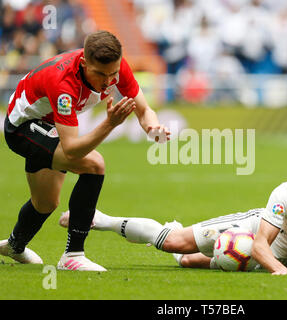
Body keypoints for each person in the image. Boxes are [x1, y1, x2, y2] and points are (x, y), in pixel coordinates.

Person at [0, 30, 170, 272]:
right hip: (22, 129)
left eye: (113, 73)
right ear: (83, 63)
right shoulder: (63, 84)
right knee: (94, 164)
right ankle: (73, 255)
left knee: (46, 202)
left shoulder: (116, 68)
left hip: (49, 126)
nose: (108, 81)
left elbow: (143, 109)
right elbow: (71, 150)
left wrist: (152, 127)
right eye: (100, 74)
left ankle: (14, 246)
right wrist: (109, 124)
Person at [59, 168, 287, 274]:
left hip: (279, 259)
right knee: (174, 243)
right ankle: (103, 220)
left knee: (187, 262)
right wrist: (282, 270)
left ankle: (181, 236)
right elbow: (260, 244)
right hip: (255, 234)